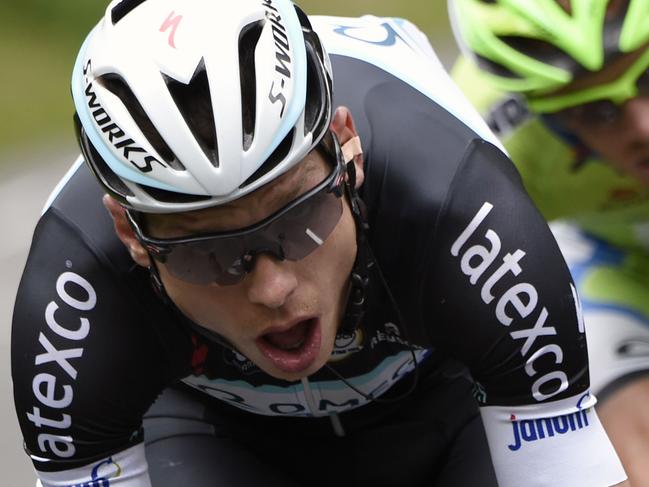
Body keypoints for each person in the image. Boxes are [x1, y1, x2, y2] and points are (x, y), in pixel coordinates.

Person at [11, 0, 628, 486]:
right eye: (209, 253)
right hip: (219, 439)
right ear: (129, 233)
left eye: (297, 219)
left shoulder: (458, 208)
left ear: (348, 148)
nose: (273, 287)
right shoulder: (74, 291)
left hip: (450, 399)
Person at [448, 0, 649, 484]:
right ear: (550, 120)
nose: (643, 127)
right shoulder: (488, 140)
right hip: (617, 270)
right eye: (597, 112)